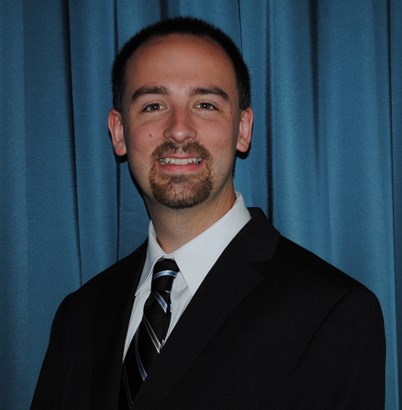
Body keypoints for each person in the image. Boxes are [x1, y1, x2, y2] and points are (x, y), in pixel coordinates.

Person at [31, 16, 385, 410]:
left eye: (205, 105)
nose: (179, 130)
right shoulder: (79, 316)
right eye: (153, 105)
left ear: (243, 129)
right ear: (118, 132)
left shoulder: (331, 313)